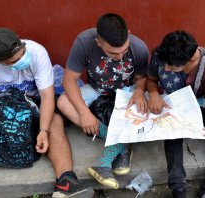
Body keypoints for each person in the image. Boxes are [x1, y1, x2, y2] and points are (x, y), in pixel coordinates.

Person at [0, 27, 93, 198]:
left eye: (23, 52)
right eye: (14, 61)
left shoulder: (37, 52)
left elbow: (47, 96)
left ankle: (66, 184)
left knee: (55, 121)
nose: (22, 59)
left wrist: (43, 131)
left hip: (37, 98)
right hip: (5, 100)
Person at [57, 13, 149, 189]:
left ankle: (106, 159)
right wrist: (84, 113)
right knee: (63, 102)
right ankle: (120, 146)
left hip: (127, 92)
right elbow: (68, 81)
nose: (120, 57)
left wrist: (139, 91)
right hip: (96, 89)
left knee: (144, 110)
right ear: (98, 42)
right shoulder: (84, 42)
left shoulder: (139, 48)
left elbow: (142, 79)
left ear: (128, 34)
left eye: (123, 50)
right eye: (113, 53)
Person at [146, 30, 205, 198]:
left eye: (172, 67)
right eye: (165, 64)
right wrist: (153, 94)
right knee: (172, 129)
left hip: (199, 107)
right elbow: (151, 79)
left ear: (192, 60)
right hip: (170, 107)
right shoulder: (162, 53)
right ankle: (178, 189)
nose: (166, 68)